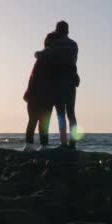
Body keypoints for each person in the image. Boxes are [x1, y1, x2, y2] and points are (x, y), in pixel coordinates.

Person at [35, 21, 79, 149]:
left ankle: (63, 142)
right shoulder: (74, 45)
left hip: (58, 82)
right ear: (68, 31)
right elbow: (73, 61)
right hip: (71, 81)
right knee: (71, 113)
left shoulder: (54, 44)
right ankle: (73, 143)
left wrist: (36, 53)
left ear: (58, 31)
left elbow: (42, 55)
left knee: (61, 114)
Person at [22, 33, 58, 151]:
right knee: (43, 122)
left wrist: (28, 92)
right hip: (46, 95)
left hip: (36, 94)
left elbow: (33, 77)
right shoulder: (54, 59)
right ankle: (42, 146)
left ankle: (30, 145)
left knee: (33, 120)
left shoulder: (41, 58)